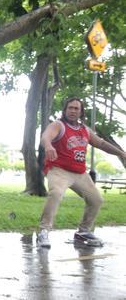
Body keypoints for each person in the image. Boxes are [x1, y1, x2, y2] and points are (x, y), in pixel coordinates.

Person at [36, 97, 126, 248]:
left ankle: (83, 232)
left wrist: (121, 153)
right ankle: (43, 231)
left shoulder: (85, 130)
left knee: (96, 200)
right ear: (65, 110)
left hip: (79, 173)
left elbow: (101, 143)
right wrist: (48, 146)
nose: (73, 111)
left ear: (81, 112)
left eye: (76, 108)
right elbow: (45, 136)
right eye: (70, 108)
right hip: (59, 170)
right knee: (56, 193)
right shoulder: (59, 125)